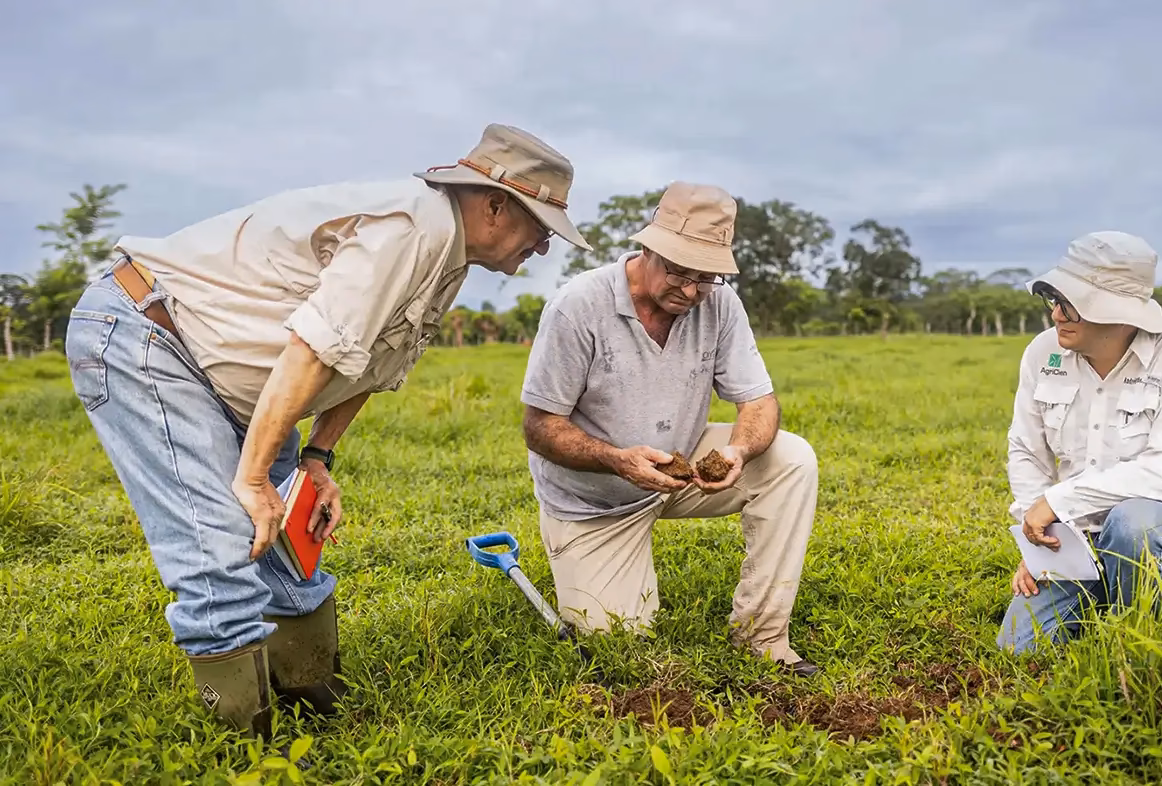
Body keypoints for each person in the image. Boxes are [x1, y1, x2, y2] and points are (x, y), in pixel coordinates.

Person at [63, 123, 591, 738]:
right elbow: (313, 347)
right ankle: (244, 747)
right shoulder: (411, 229)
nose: (544, 250)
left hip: (244, 380)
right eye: (540, 230)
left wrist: (316, 457)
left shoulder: (451, 259)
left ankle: (316, 707)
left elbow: (367, 360)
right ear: (496, 205)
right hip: (150, 337)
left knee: (295, 535)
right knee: (220, 545)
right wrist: (255, 476)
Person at [519, 181, 821, 677]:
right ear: (647, 248)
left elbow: (759, 401)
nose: (690, 290)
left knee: (791, 459)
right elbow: (539, 427)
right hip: (595, 500)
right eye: (680, 271)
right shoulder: (578, 306)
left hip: (681, 467)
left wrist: (740, 452)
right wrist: (616, 459)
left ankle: (762, 637)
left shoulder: (719, 304)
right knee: (618, 639)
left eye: (707, 278)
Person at [996, 230, 1162, 655]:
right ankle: (1110, 588)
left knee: (1133, 524)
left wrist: (1059, 501)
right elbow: (1026, 450)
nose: (1056, 314)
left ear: (1120, 313)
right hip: (1081, 537)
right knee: (1021, 648)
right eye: (1053, 298)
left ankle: (1146, 642)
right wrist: (1040, 538)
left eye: (1069, 302)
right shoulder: (1042, 354)